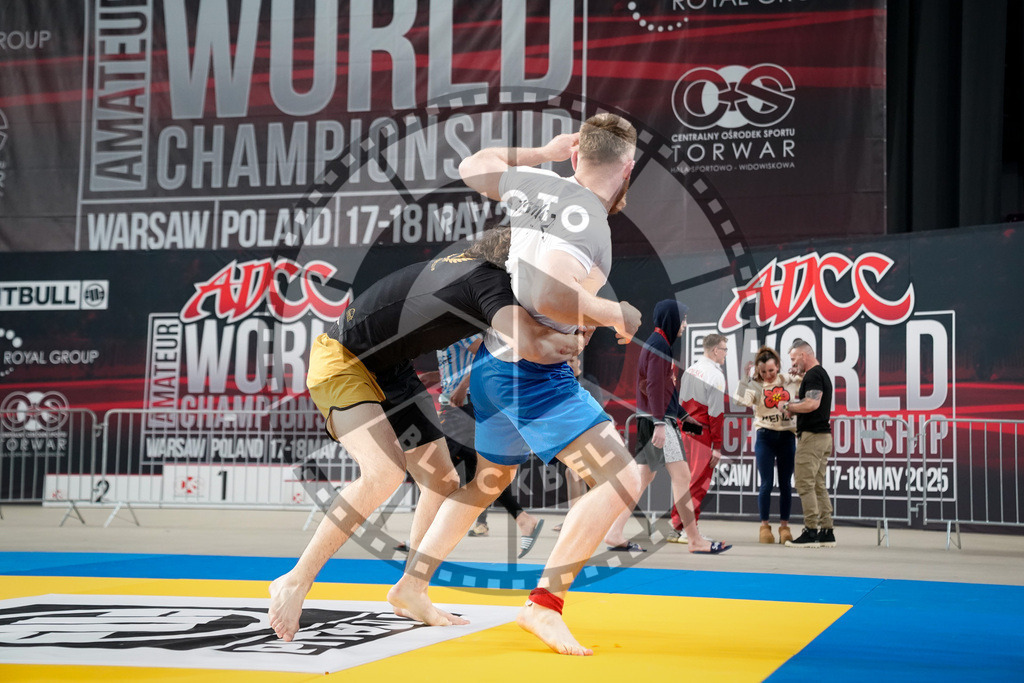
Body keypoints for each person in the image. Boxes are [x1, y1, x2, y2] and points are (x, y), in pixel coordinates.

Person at [388, 114, 644, 656]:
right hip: (530, 373)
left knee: (488, 480)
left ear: (575, 155)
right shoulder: (588, 220)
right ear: (628, 168)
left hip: (494, 365)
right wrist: (614, 313)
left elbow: (473, 165)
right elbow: (548, 291)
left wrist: (542, 152)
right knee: (620, 478)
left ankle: (412, 585)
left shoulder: (541, 184)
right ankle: (543, 606)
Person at [267, 229, 581, 642]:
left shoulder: (471, 271)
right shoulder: (486, 278)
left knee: (442, 482)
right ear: (518, 265)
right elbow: (523, 339)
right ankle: (295, 580)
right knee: (383, 474)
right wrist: (592, 324)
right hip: (343, 359)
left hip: (392, 370)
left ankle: (412, 589)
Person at [605, 300, 729, 553]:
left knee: (643, 479)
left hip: (652, 420)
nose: (685, 325)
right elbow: (653, 385)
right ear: (672, 318)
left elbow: (664, 388)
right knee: (682, 477)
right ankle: (694, 539)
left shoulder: (658, 343)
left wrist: (682, 415)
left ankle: (614, 532)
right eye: (682, 319)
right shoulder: (660, 345)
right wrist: (662, 422)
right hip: (657, 422)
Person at [436, 335, 544, 556]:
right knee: (480, 475)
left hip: (464, 407)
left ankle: (424, 535)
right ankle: (522, 519)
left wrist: (462, 387)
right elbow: (457, 368)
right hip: (457, 407)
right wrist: (438, 378)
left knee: (436, 469)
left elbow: (489, 357)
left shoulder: (460, 332)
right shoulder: (439, 335)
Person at [733, 345, 801, 544]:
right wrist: (744, 379)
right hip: (765, 436)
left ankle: (784, 527)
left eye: (771, 370)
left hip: (787, 436)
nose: (768, 375)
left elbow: (812, 382)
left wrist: (800, 371)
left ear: (778, 366)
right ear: (758, 370)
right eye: (763, 372)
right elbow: (739, 401)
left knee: (786, 484)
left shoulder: (788, 379)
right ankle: (764, 527)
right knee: (766, 483)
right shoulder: (755, 385)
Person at [780, 339, 836, 548]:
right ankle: (827, 532)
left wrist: (788, 406)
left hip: (812, 437)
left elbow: (812, 403)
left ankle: (811, 532)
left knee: (805, 484)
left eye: (794, 359)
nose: (793, 363)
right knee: (818, 484)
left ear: (804, 355)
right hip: (822, 437)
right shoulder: (819, 374)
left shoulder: (813, 375)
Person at [671, 333, 729, 530]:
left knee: (685, 480)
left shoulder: (690, 369)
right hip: (701, 433)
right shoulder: (715, 375)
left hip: (685, 429)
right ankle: (687, 528)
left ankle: (678, 524)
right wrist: (717, 446)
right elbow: (716, 413)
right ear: (715, 350)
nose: (726, 353)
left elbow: (681, 404)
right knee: (698, 482)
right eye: (724, 349)